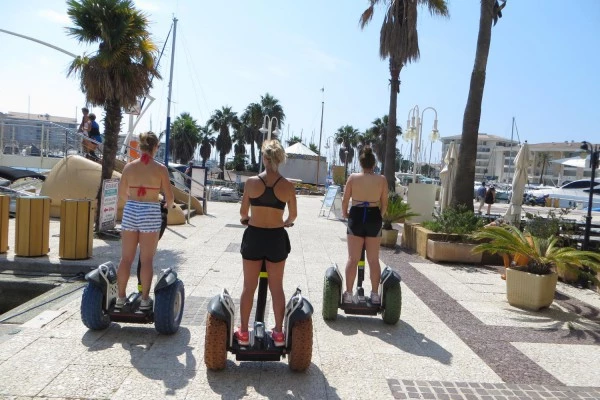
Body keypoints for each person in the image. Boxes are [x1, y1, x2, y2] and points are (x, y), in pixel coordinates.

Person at [236, 139, 297, 346]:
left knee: (248, 287)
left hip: (254, 236)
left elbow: (243, 213)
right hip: (276, 238)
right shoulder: (288, 186)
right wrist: (285, 222)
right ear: (279, 160)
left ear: (264, 158)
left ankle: (244, 332)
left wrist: (246, 219)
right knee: (277, 287)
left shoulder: (251, 182)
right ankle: (279, 333)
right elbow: (292, 216)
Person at [116, 131, 175, 311]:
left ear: (140, 146)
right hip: (150, 210)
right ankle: (144, 299)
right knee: (147, 259)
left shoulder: (129, 167)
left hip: (131, 209)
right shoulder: (160, 169)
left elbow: (121, 194)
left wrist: (133, 202)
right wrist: (168, 205)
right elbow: (170, 197)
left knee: (126, 258)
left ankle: (120, 298)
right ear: (155, 147)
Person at [341, 146, 388, 305]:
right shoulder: (381, 179)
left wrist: (346, 214)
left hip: (357, 214)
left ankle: (348, 293)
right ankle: (375, 294)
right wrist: (378, 217)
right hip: (373, 215)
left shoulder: (353, 178)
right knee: (374, 260)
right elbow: (385, 204)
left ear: (361, 163)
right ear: (373, 164)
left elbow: (345, 200)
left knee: (352, 258)